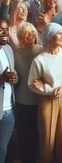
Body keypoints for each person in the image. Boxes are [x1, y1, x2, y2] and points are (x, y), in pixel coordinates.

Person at [28, 23, 62, 163]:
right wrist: (50, 90)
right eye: (59, 33)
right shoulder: (39, 60)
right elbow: (32, 83)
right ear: (50, 37)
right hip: (47, 101)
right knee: (47, 141)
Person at [14, 22, 43, 163]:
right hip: (22, 100)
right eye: (26, 32)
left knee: (39, 134)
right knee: (24, 135)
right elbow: (13, 75)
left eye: (32, 31)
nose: (30, 34)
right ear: (20, 37)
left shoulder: (43, 51)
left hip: (40, 100)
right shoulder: (15, 53)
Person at [0, 19, 17, 163]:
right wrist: (2, 78)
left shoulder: (8, 49)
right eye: (0, 29)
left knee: (2, 150)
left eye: (6, 29)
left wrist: (14, 77)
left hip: (9, 110)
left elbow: (12, 72)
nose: (4, 32)